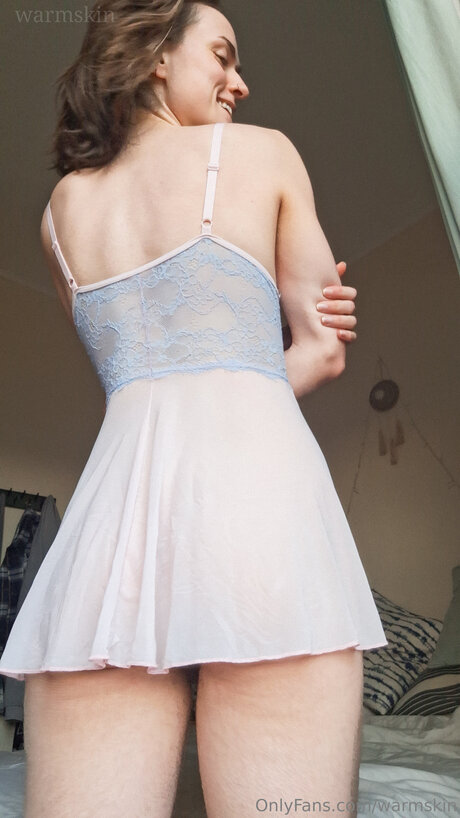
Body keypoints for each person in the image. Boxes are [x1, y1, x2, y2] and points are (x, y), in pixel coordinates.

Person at [0, 1, 387, 816]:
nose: (239, 82)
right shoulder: (265, 153)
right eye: (223, 55)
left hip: (111, 550)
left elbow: (147, 380)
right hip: (259, 525)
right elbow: (322, 350)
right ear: (155, 55)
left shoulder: (59, 216)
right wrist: (291, 340)